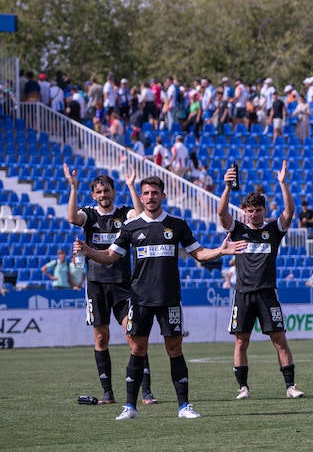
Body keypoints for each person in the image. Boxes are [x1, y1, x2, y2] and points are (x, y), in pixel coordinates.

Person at [75, 176, 246, 420]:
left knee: (174, 349)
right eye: (146, 193)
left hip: (169, 299)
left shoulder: (177, 225)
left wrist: (221, 250)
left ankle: (184, 406)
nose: (151, 197)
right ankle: (130, 407)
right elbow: (110, 256)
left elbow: (199, 253)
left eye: (155, 193)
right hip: (140, 300)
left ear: (162, 196)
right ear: (141, 197)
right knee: (137, 348)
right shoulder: (131, 227)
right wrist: (88, 250)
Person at [64, 163, 156, 405]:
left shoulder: (123, 214)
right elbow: (72, 218)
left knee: (134, 338)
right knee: (101, 338)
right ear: (94, 194)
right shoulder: (89, 215)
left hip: (123, 286)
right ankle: (108, 393)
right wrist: (73, 188)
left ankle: (146, 392)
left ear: (113, 192)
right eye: (99, 192)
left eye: (107, 191)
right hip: (96, 285)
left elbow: (141, 216)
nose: (104, 195)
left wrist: (132, 186)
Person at [218, 163, 305, 400]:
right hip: (244, 294)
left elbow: (289, 212)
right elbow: (221, 214)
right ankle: (243, 388)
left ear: (264, 210)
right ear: (244, 211)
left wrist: (283, 184)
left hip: (268, 294)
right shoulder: (237, 230)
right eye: (250, 210)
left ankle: (290, 387)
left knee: (279, 340)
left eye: (258, 210)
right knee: (240, 342)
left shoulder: (273, 231)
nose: (254, 213)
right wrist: (227, 187)